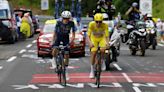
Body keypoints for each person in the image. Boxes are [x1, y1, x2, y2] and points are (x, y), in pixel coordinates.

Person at [51, 10, 76, 80]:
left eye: (67, 18)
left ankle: (66, 70)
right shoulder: (58, 23)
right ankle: (53, 59)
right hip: (58, 36)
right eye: (64, 18)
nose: (66, 20)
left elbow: (73, 34)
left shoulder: (71, 23)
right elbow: (55, 32)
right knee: (55, 48)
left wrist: (71, 41)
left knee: (67, 53)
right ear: (62, 18)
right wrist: (53, 41)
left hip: (66, 37)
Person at [87, 13, 109, 78]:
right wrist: (90, 43)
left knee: (103, 49)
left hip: (101, 38)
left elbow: (107, 36)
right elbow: (88, 36)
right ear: (94, 21)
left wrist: (107, 43)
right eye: (97, 22)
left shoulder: (105, 25)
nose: (98, 23)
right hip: (94, 38)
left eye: (100, 22)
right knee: (93, 52)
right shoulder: (91, 24)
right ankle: (92, 70)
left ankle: (102, 61)